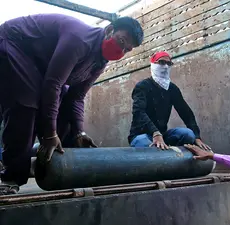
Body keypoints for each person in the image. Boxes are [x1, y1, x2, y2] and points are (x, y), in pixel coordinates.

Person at [0, 13, 144, 194]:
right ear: (109, 30)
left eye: (127, 50)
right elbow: (53, 83)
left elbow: (76, 97)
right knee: (27, 104)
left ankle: (46, 157)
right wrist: (50, 133)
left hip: (39, 65)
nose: (121, 51)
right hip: (13, 44)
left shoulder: (99, 62)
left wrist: (79, 131)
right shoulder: (79, 39)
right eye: (121, 42)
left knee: (64, 103)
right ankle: (12, 176)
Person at [128, 51, 210, 150]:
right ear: (153, 64)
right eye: (162, 62)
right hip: (141, 135)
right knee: (150, 146)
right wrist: (155, 132)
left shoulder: (172, 89)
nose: (166, 66)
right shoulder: (142, 86)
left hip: (163, 135)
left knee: (189, 135)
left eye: (169, 63)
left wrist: (197, 137)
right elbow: (138, 112)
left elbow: (186, 113)